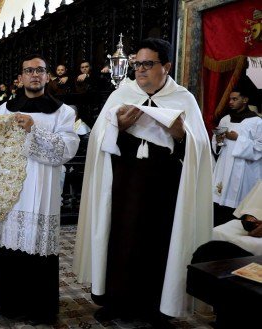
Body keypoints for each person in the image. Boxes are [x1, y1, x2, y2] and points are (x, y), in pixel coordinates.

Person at [73, 38, 213, 325]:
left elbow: (200, 149)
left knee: (158, 242)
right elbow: (99, 139)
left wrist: (180, 134)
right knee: (119, 239)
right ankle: (114, 300)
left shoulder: (183, 98)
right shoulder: (122, 94)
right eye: (137, 64)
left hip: (165, 186)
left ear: (167, 66)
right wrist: (119, 127)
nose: (139, 70)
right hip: (123, 183)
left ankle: (156, 308)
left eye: (148, 64)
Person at [0, 54, 79, 325]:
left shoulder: (63, 111)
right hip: (11, 190)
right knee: (11, 242)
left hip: (43, 189)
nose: (35, 75)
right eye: (29, 71)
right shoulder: (4, 110)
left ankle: (40, 308)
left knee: (38, 245)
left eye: (40, 70)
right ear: (21, 77)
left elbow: (67, 148)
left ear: (47, 76)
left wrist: (34, 130)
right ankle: (9, 304)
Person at [211, 87, 261, 226]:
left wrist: (238, 139)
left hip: (245, 169)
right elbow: (217, 144)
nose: (231, 102)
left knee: (239, 207)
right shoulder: (225, 119)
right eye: (230, 99)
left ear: (245, 100)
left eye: (235, 99)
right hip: (224, 166)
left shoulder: (257, 122)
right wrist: (219, 139)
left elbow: (259, 148)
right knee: (220, 207)